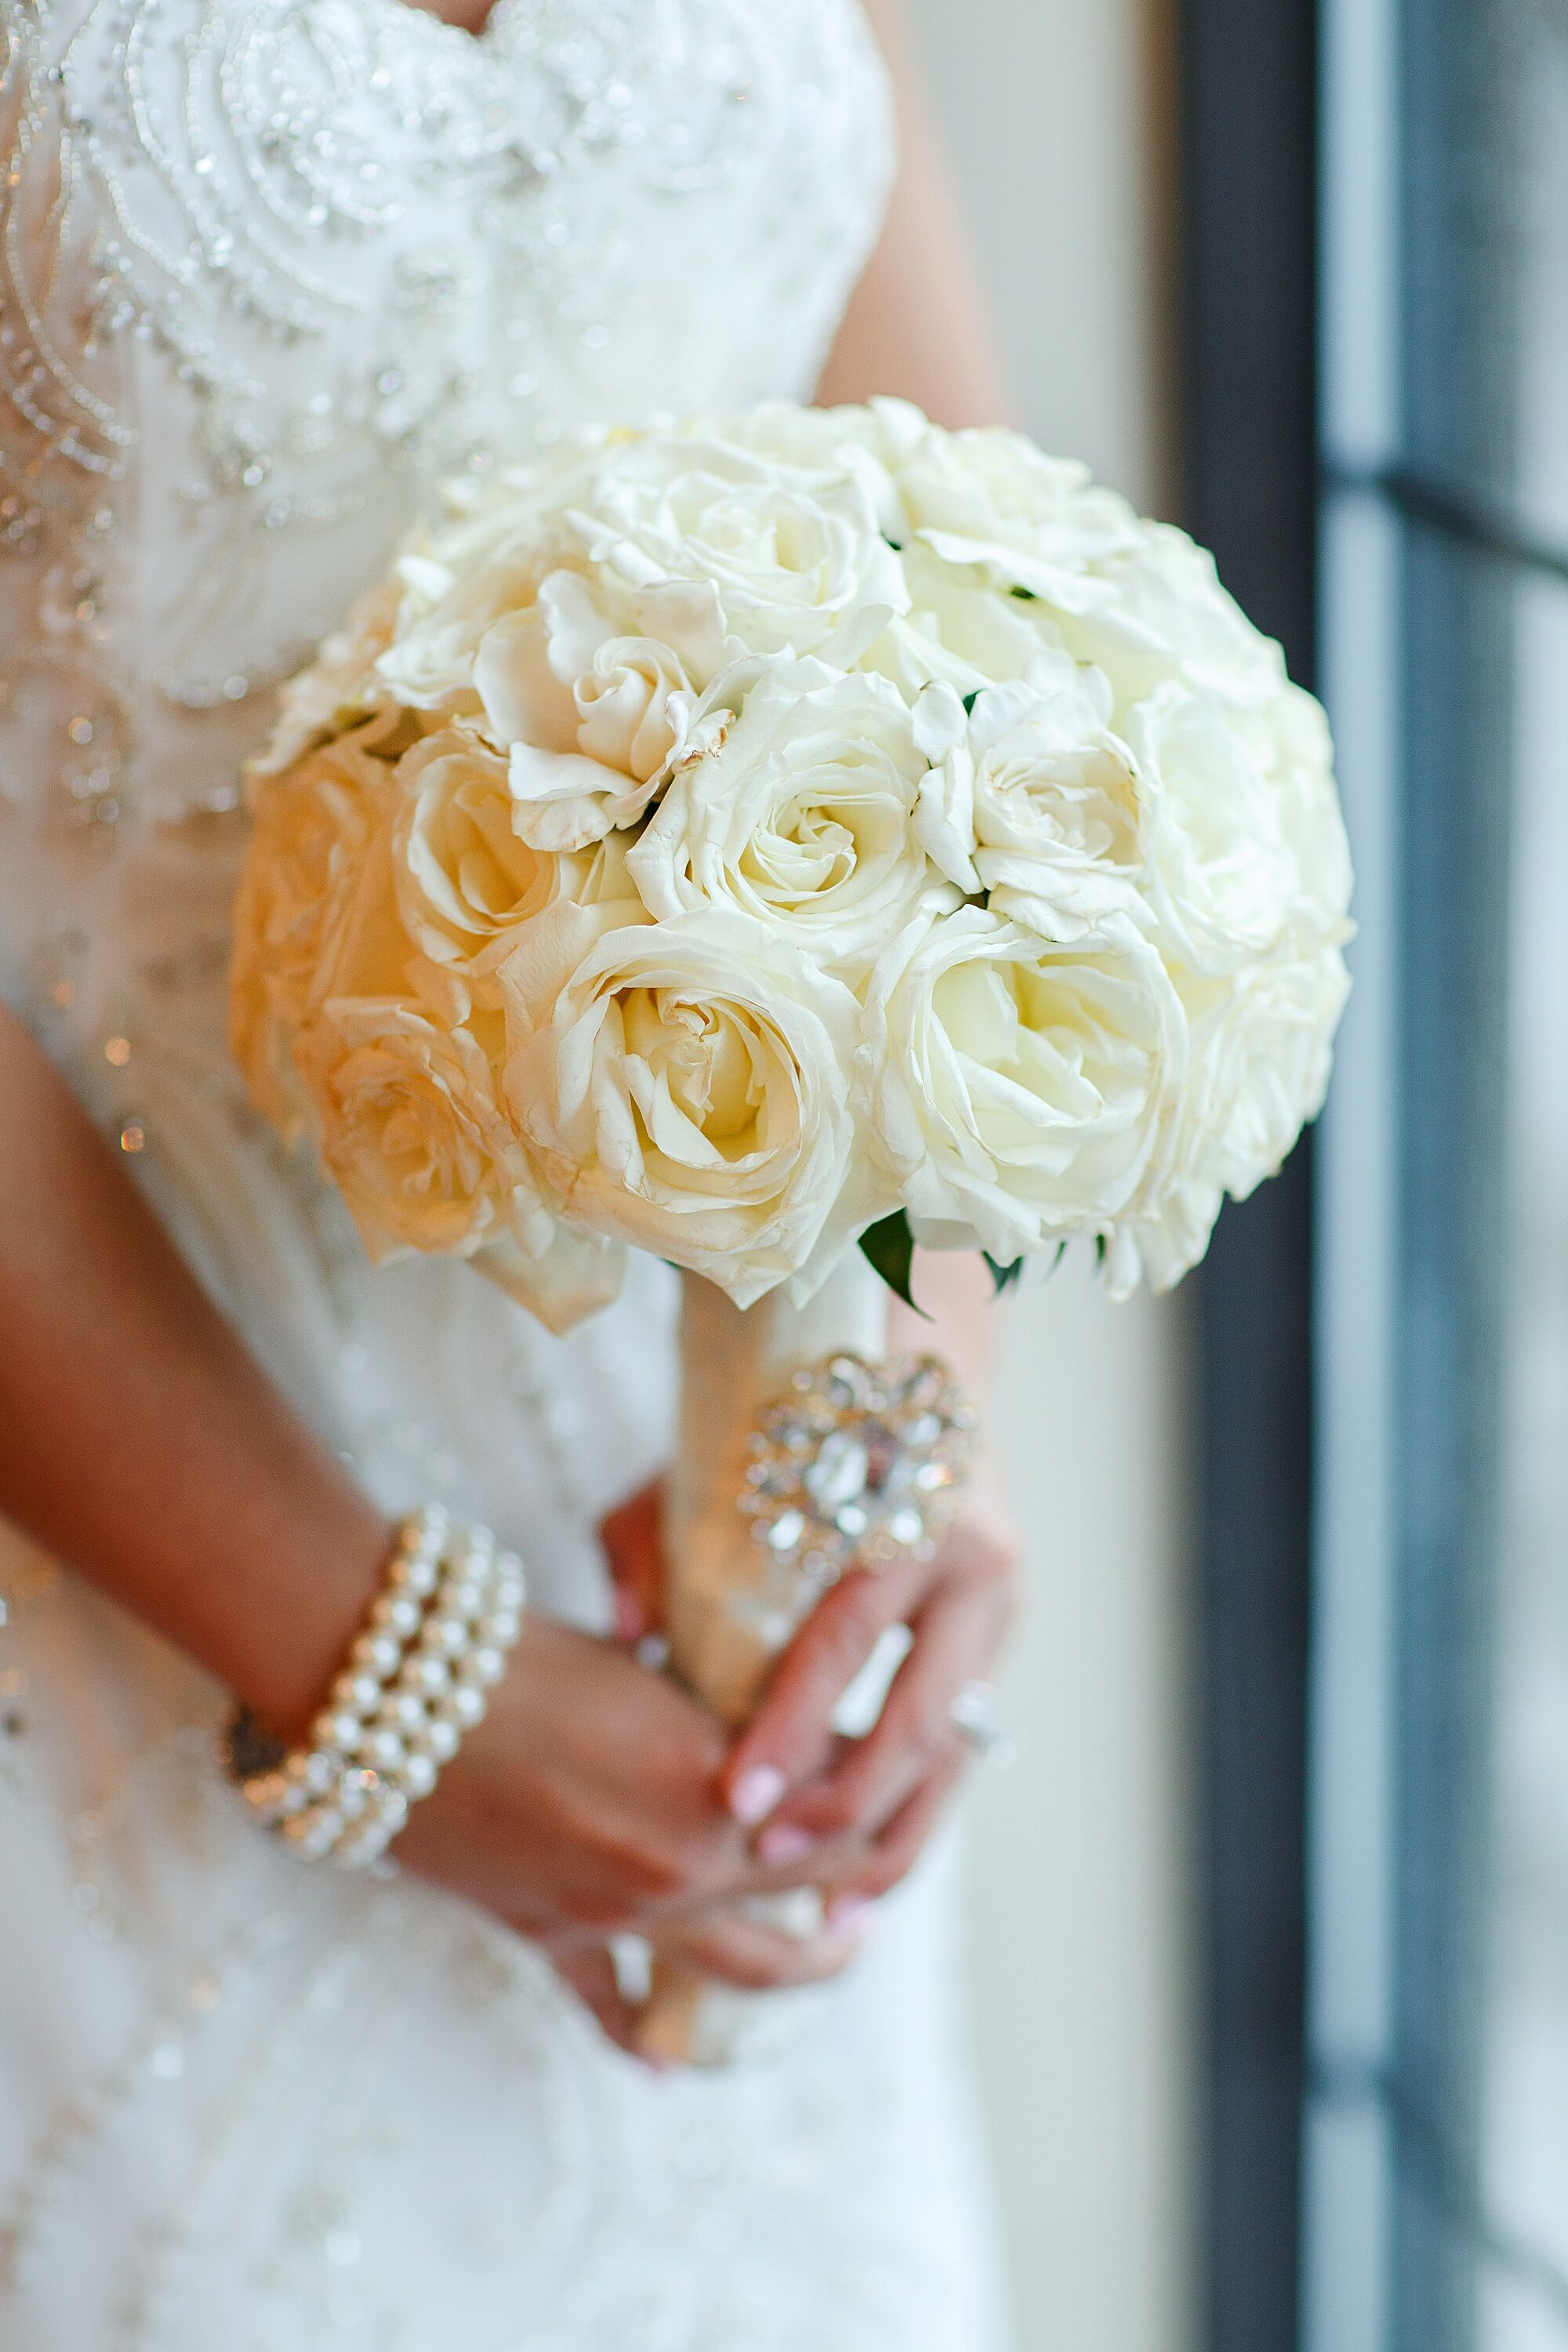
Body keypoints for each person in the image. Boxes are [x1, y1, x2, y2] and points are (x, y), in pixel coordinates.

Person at [0, 2, 1022, 2342]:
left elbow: (985, 623)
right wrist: (388, 1676)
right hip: (106, 1546)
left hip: (710, 1575)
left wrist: (902, 1453)